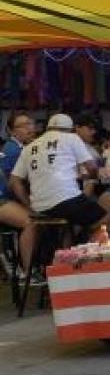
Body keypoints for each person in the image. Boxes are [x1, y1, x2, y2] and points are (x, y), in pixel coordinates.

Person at [8, 114, 110, 239]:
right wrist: (94, 175)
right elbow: (91, 168)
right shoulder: (71, 138)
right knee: (106, 221)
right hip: (66, 200)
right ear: (70, 129)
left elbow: (13, 181)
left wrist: (28, 204)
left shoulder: (29, 147)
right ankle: (86, 255)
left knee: (71, 224)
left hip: (39, 207)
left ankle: (69, 252)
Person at [0, 113, 36, 273]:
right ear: (12, 131)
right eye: (23, 125)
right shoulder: (14, 150)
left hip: (8, 197)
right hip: (2, 199)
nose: (30, 127)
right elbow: (13, 185)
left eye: (30, 123)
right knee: (31, 222)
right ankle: (28, 272)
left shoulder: (22, 147)